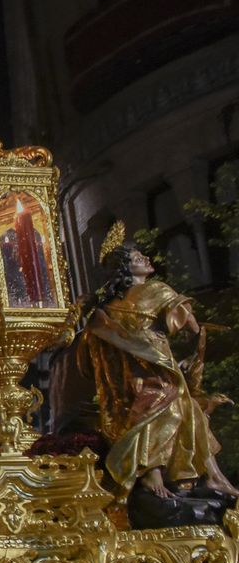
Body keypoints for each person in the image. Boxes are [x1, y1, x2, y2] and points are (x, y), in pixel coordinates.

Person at [54, 226, 239, 527]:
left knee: (188, 409)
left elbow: (86, 359)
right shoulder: (157, 291)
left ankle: (207, 477)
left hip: (138, 374)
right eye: (139, 256)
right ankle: (158, 473)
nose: (146, 259)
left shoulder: (104, 310)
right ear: (127, 267)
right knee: (177, 407)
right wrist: (194, 337)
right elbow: (189, 325)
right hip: (150, 367)